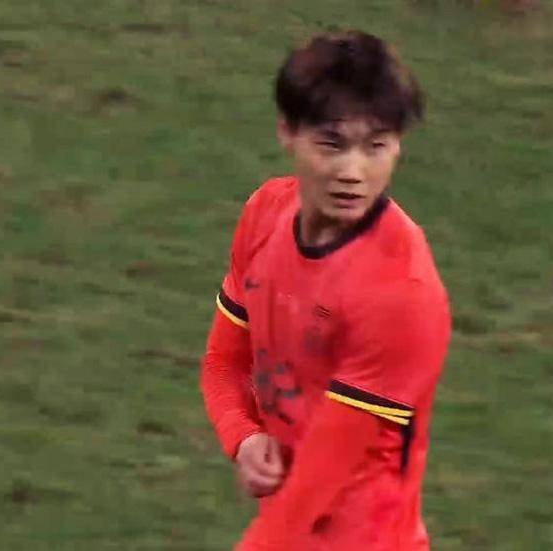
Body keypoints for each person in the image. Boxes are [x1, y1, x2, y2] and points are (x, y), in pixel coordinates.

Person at [200, 30, 451, 551]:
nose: (352, 173)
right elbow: (224, 363)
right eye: (331, 145)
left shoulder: (401, 292)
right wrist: (243, 435)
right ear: (287, 132)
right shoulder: (264, 215)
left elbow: (320, 481)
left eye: (376, 147)